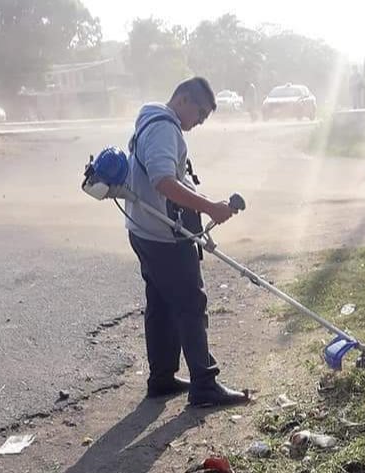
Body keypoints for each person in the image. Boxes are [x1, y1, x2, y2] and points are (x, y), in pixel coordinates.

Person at [125, 77, 249, 406]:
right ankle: (204, 385)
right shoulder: (166, 129)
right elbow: (163, 181)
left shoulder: (148, 118)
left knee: (162, 304)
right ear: (182, 99)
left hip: (143, 229)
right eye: (200, 113)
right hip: (164, 235)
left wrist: (207, 201)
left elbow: (170, 179)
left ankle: (162, 378)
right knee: (191, 304)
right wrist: (209, 207)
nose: (199, 122)